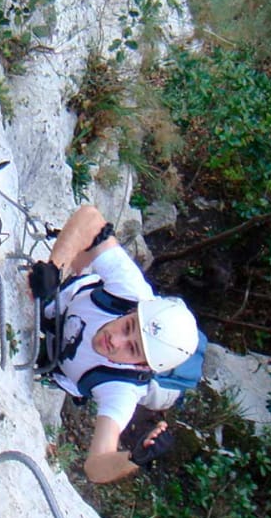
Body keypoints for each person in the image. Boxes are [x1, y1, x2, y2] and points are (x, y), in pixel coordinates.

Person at [33, 204, 201, 483]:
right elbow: (91, 219)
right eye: (128, 326)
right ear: (133, 311)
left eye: (132, 348)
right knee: (86, 252)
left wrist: (134, 458)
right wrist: (54, 268)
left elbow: (95, 467)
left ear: (142, 366)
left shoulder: (122, 390)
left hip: (49, 354)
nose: (115, 339)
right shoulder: (132, 292)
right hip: (61, 299)